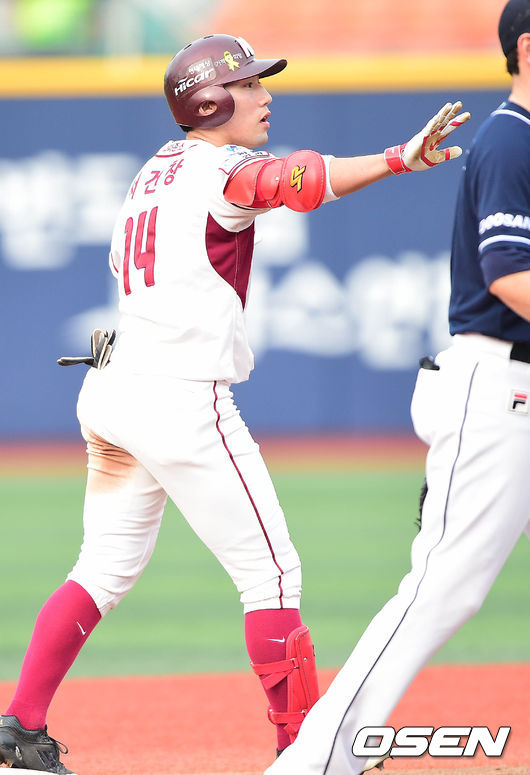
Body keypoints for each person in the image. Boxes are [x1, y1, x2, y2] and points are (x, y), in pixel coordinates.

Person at [0, 33, 469, 775]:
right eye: (249, 84)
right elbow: (298, 181)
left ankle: (21, 728)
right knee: (272, 576)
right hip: (179, 397)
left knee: (102, 568)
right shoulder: (220, 170)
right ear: (211, 101)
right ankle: (303, 749)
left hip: (114, 384)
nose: (264, 94)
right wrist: (397, 158)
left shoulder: (153, 171)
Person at [263, 1, 530, 774]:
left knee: (447, 586)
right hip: (499, 386)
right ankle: (316, 762)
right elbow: (510, 275)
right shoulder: (511, 140)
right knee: (444, 588)